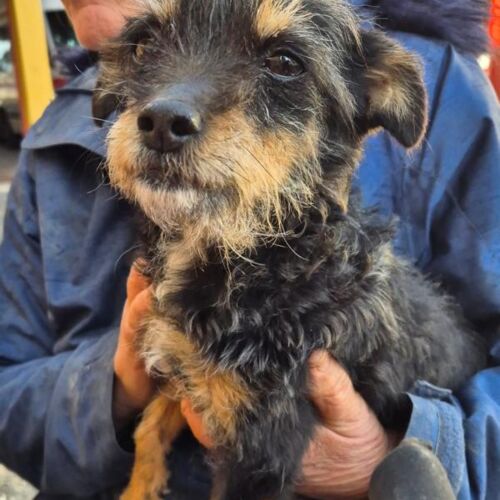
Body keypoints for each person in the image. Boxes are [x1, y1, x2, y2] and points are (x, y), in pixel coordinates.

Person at [0, 0, 498, 499]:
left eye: (283, 63)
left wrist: (397, 456)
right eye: (147, 48)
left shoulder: (443, 87)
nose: (165, 111)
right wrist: (114, 387)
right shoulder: (49, 141)